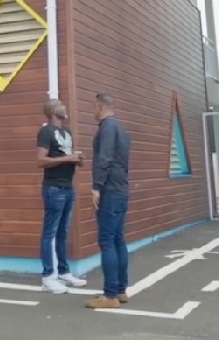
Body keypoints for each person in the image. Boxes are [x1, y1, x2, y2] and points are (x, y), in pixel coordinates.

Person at [35, 97, 87, 294]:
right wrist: (68, 158)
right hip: (53, 188)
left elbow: (67, 157)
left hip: (67, 188)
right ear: (52, 111)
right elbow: (40, 161)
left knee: (63, 232)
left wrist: (77, 160)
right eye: (60, 105)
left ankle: (64, 272)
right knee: (49, 233)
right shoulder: (45, 132)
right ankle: (48, 277)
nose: (65, 107)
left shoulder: (67, 132)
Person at [86, 92, 132, 309]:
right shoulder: (121, 129)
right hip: (121, 189)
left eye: (93, 107)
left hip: (110, 191)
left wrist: (96, 187)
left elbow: (104, 159)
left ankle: (110, 295)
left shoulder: (107, 128)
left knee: (106, 240)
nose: (92, 111)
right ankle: (120, 290)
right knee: (118, 239)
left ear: (99, 106)